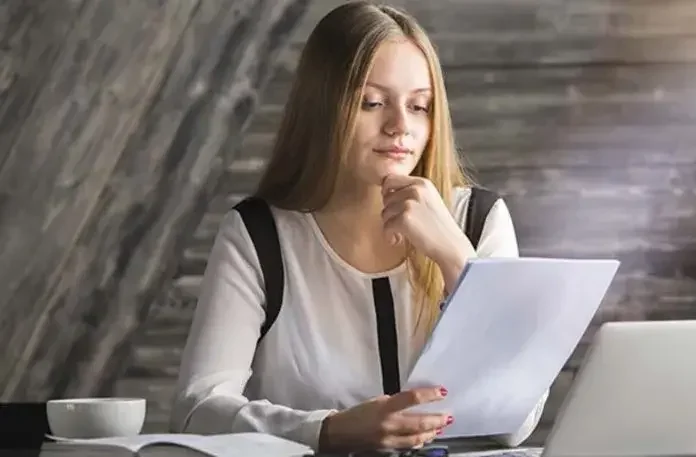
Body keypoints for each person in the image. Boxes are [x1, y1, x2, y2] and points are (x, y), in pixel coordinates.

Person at [169, 1, 548, 453]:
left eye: (419, 106)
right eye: (372, 103)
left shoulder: (479, 221)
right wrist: (328, 429)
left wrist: (457, 259)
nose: (400, 126)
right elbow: (197, 411)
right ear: (323, 108)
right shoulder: (258, 235)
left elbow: (516, 423)